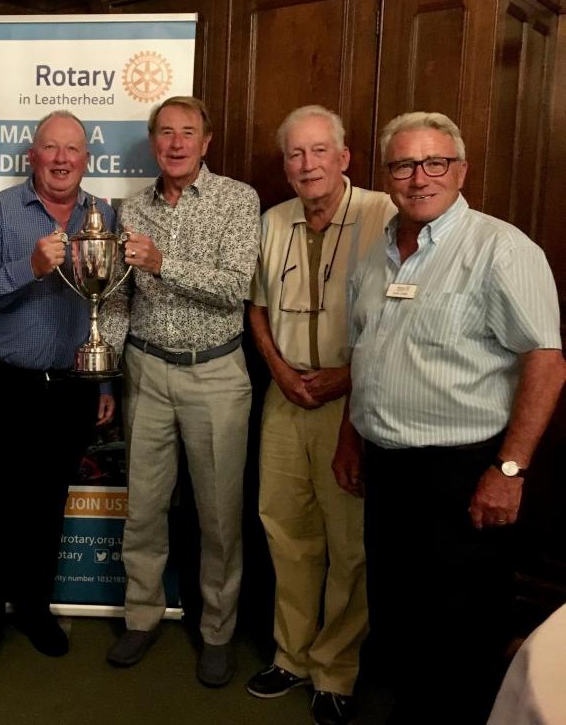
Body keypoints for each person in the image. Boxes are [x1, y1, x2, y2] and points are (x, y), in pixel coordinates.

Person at [333, 111, 565, 724]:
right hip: (387, 468)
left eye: (435, 163)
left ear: (460, 170)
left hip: (464, 474)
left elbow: (546, 361)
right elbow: (368, 355)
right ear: (388, 176)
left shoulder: (500, 248)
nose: (420, 177)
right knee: (392, 605)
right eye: (405, 165)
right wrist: (351, 440)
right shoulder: (377, 253)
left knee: (460, 624)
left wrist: (509, 469)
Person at [101, 96, 259, 687]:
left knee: (219, 517)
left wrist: (163, 261)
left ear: (206, 141)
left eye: (187, 133)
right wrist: (107, 370)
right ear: (152, 140)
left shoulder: (237, 200)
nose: (175, 143)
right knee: (142, 508)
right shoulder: (132, 205)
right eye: (164, 132)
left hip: (215, 374)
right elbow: (119, 295)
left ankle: (217, 631)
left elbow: (233, 287)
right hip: (145, 370)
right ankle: (141, 616)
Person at [246, 106, 394, 725]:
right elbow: (256, 307)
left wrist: (347, 378)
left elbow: (400, 318)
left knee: (349, 545)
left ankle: (335, 669)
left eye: (317, 152)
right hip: (285, 396)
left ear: (344, 158)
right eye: (294, 155)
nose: (306, 165)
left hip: (352, 403)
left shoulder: (383, 213)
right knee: (285, 529)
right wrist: (279, 369)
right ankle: (292, 655)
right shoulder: (274, 220)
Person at [0, 110, 115, 679]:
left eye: (72, 149)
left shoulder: (102, 214)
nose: (62, 158)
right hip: (5, 387)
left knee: (48, 509)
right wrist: (30, 266)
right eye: (51, 147)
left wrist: (100, 379)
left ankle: (34, 611)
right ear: (33, 156)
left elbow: (103, 306)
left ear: (86, 159)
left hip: (68, 390)